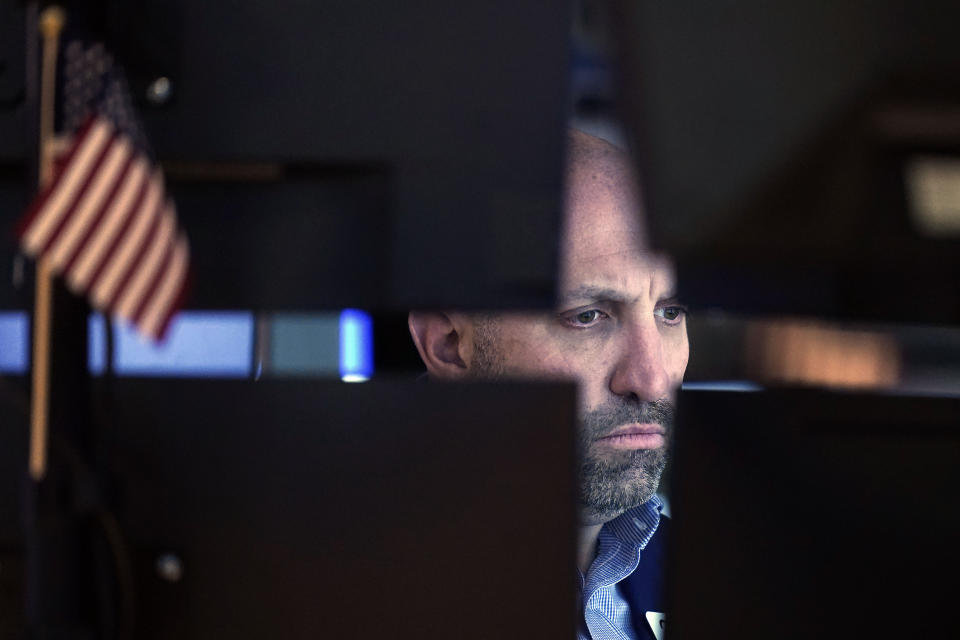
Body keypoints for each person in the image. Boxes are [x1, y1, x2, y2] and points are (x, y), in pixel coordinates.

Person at [407, 129, 689, 640]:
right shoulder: (305, 579)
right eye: (588, 316)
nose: (651, 379)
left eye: (670, 312)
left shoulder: (716, 576)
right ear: (449, 343)